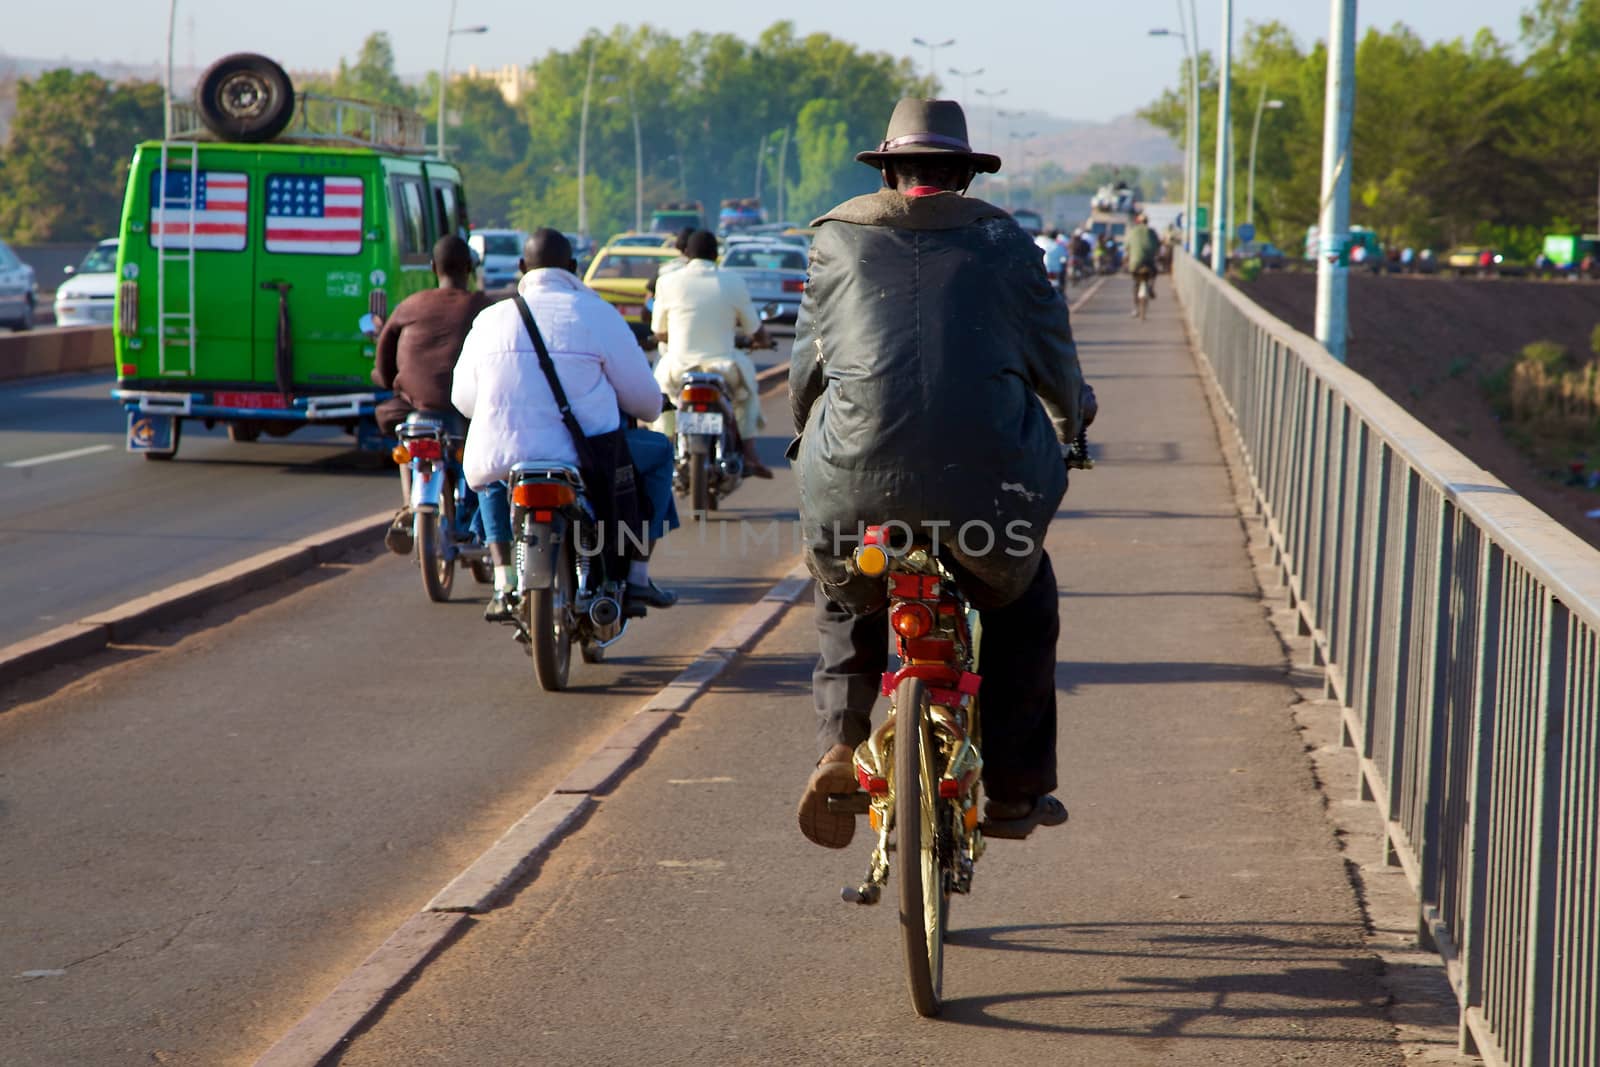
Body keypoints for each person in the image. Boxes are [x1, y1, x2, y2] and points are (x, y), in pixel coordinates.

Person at [790, 98, 1089, 848]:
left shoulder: (835, 240)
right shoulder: (1009, 244)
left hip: (855, 481)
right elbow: (1055, 364)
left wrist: (810, 437)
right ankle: (1018, 790)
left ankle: (838, 744)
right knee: (1025, 602)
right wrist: (1073, 424)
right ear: (962, 173)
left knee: (843, 586)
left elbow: (805, 373)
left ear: (889, 171)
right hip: (987, 492)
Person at [452, 229, 668, 621]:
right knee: (659, 453)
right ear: (574, 268)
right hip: (584, 459)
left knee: (489, 471)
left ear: (521, 268)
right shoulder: (598, 313)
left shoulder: (490, 319)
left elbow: (463, 402)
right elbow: (648, 405)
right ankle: (637, 573)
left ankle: (502, 579)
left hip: (506, 458)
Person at [371, 234, 493, 553]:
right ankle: (473, 520)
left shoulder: (410, 305)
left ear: (432, 268)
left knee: (403, 434)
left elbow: (384, 369)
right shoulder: (483, 308)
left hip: (418, 410)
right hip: (466, 414)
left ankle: (409, 506)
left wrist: (388, 381)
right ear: (469, 267)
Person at [649, 229, 773, 478]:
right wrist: (763, 341)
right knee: (747, 395)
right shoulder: (733, 281)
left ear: (687, 254)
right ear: (716, 255)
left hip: (678, 368)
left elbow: (658, 331)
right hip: (723, 368)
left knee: (663, 402)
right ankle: (749, 451)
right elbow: (755, 330)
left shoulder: (667, 281)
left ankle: (663, 449)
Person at [1124, 212, 1160, 315]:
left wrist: (1128, 258)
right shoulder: (1152, 232)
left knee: (1136, 283)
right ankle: (1151, 288)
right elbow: (1157, 245)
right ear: (1147, 222)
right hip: (1149, 262)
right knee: (1154, 273)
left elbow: (1126, 246)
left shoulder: (1133, 231)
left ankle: (1136, 308)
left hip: (1135, 263)